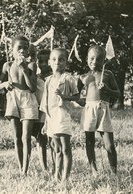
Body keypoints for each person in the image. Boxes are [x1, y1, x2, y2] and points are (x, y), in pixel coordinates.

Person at [0, 35, 38, 176]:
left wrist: (24, 69)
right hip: (13, 99)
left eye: (25, 48)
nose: (22, 50)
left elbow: (32, 87)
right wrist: (4, 84)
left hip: (27, 99)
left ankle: (25, 171)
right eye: (19, 47)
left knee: (26, 137)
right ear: (12, 49)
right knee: (17, 136)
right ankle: (21, 166)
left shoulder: (31, 65)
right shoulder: (7, 65)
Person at [78, 45, 120, 174]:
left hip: (103, 109)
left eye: (99, 59)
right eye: (92, 58)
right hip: (89, 109)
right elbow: (77, 95)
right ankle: (93, 169)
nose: (95, 62)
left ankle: (114, 171)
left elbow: (117, 93)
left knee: (109, 144)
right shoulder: (84, 76)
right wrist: (80, 100)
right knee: (89, 141)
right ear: (86, 59)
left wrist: (107, 90)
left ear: (104, 61)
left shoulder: (107, 74)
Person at [40, 48, 79, 181]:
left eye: (61, 60)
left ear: (66, 63)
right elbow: (45, 102)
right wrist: (45, 122)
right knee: (55, 148)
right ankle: (56, 174)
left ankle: (65, 178)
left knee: (65, 148)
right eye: (54, 59)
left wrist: (64, 96)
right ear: (49, 62)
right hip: (51, 116)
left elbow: (77, 97)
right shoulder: (48, 80)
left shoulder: (68, 78)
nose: (57, 62)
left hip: (62, 114)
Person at [33, 49, 51, 171]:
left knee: (54, 139)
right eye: (41, 61)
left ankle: (56, 163)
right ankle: (44, 166)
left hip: (53, 112)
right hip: (41, 112)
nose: (44, 64)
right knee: (41, 138)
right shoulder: (35, 78)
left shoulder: (54, 77)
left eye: (47, 61)